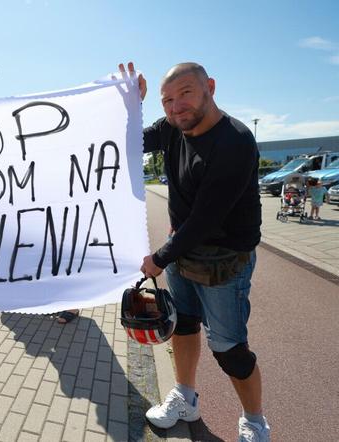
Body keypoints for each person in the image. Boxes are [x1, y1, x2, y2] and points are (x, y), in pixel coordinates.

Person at [121, 62, 270, 441]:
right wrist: (130, 104)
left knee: (229, 348)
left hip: (224, 262)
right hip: (183, 254)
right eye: (167, 100)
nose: (175, 107)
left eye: (185, 93)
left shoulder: (235, 140)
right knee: (183, 327)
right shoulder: (172, 128)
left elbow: (206, 218)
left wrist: (158, 258)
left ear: (210, 88)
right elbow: (128, 142)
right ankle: (185, 397)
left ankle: (254, 422)